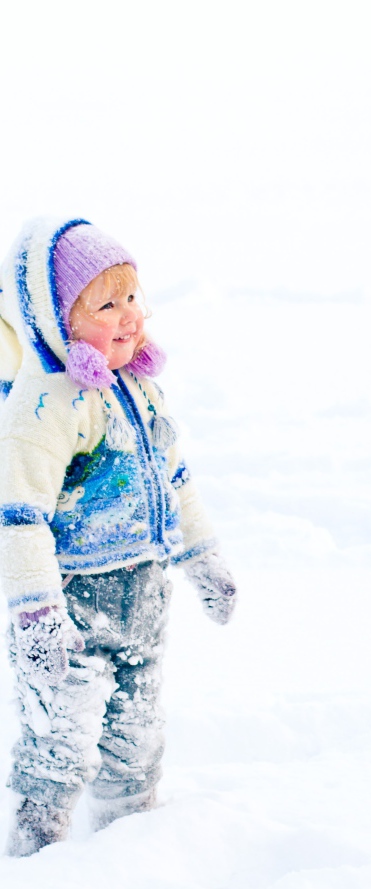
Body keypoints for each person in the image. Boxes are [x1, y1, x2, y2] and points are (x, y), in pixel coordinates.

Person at [0, 217, 236, 856]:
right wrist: (36, 612)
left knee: (138, 739)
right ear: (58, 322)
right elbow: (19, 517)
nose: (130, 315)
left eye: (132, 296)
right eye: (106, 305)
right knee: (60, 742)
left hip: (143, 597)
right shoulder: (45, 406)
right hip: (70, 607)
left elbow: (175, 478)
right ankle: (36, 852)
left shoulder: (141, 389)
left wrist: (203, 556)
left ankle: (127, 848)